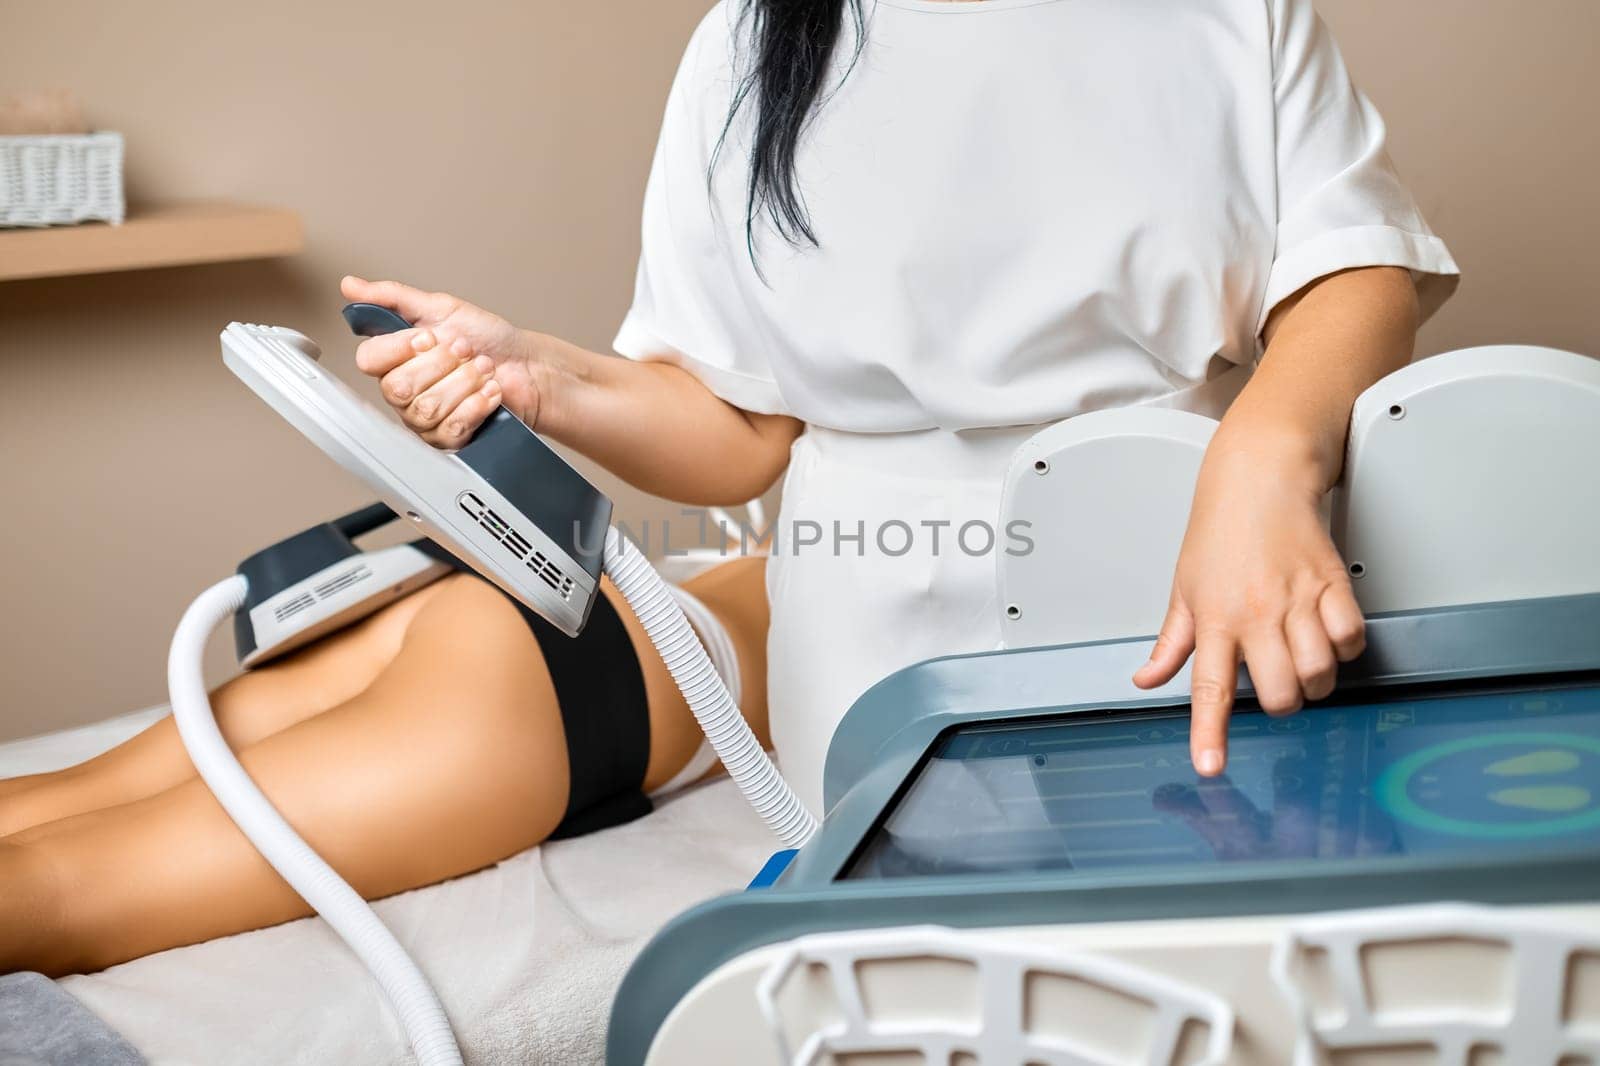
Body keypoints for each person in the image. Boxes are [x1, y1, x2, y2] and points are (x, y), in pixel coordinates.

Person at [342, 0, 1459, 815]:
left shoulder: (1226, 16)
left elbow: (1355, 272)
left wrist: (1264, 460)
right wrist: (539, 377)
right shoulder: (747, 44)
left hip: (1177, 580)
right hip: (865, 646)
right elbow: (735, 432)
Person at [0, 551, 771, 976]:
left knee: (80, 794)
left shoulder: (805, 519)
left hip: (485, 599)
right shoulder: (879, 589)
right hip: (559, 694)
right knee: (74, 891)